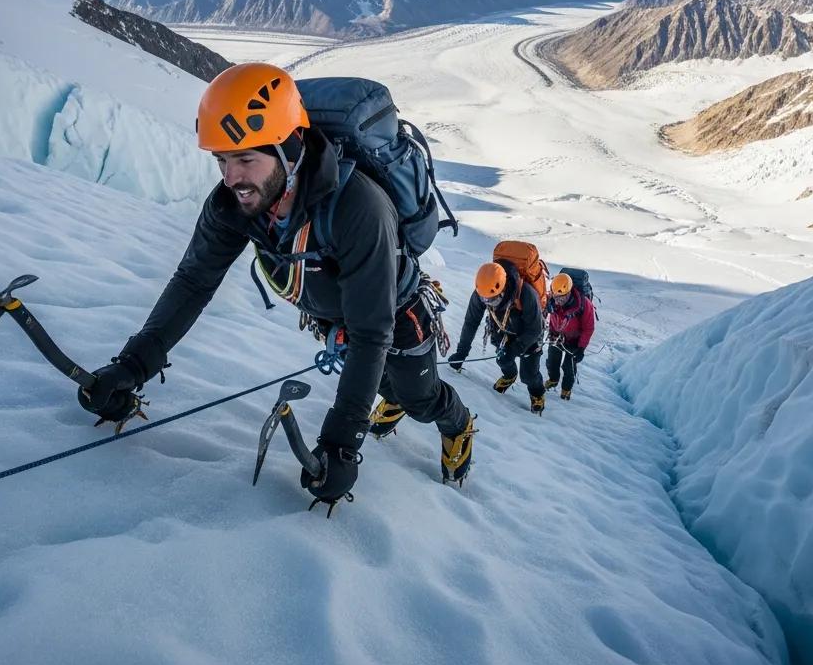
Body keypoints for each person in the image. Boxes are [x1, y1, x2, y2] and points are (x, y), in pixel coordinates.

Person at [78, 63, 476, 503]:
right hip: (336, 317)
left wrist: (342, 442)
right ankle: (391, 395)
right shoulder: (234, 203)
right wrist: (135, 364)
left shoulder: (357, 207)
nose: (231, 178)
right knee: (381, 382)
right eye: (223, 160)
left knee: (420, 398)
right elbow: (194, 281)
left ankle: (458, 424)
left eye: (246, 159)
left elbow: (371, 331)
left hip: (396, 316)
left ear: (291, 150)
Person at [448, 260, 547, 414]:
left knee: (528, 375)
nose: (488, 303)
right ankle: (509, 376)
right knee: (502, 359)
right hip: (504, 329)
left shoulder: (526, 293)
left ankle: (537, 394)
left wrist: (515, 348)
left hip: (530, 335)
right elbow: (471, 322)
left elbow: (535, 329)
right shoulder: (483, 292)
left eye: (492, 299)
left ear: (503, 288)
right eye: (484, 299)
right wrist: (462, 353)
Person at [544, 273, 596, 400]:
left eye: (561, 298)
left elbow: (588, 328)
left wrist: (581, 348)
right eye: (556, 297)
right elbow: (553, 318)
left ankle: (566, 390)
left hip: (575, 341)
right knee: (552, 361)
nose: (558, 301)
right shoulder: (553, 300)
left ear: (568, 293)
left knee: (568, 367)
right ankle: (553, 380)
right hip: (557, 335)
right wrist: (552, 331)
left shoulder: (584, 304)